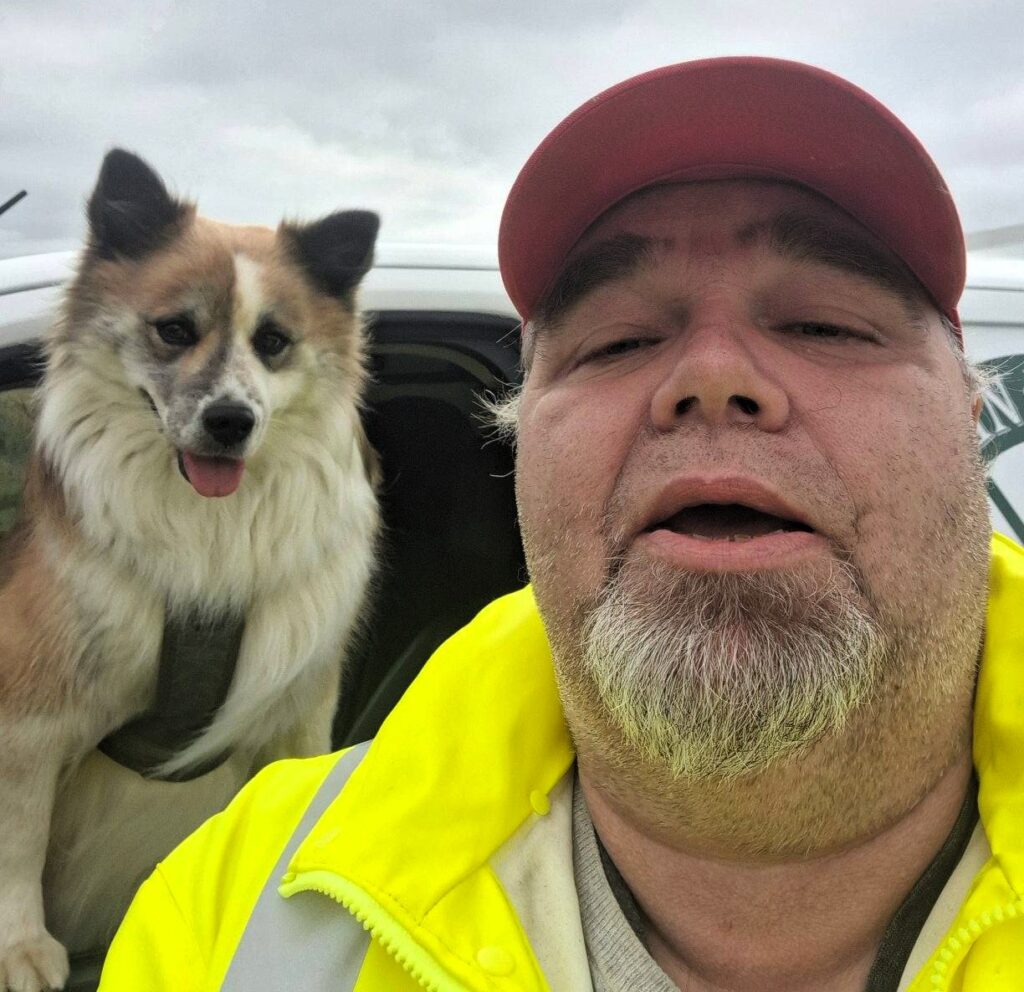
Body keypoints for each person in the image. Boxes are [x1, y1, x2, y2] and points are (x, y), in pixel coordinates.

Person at [99, 57, 1023, 992]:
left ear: (972, 422)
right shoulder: (230, 905)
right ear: (521, 443)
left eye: (826, 326)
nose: (710, 377)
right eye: (618, 341)